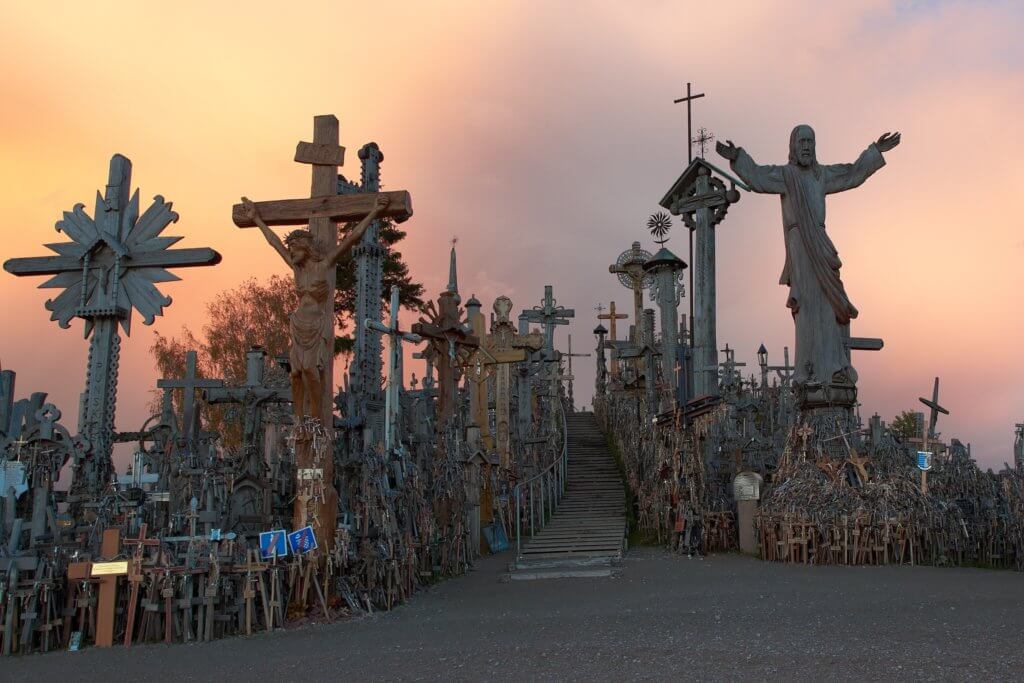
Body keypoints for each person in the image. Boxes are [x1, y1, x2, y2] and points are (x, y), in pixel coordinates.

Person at [240, 194, 390, 421]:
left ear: (305, 248)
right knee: (296, 373)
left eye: (294, 248)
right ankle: (299, 416)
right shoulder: (297, 269)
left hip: (317, 323)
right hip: (298, 323)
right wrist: (257, 219)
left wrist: (374, 212)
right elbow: (274, 243)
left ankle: (316, 414)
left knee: (311, 369)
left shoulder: (324, 265)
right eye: (290, 248)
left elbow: (352, 238)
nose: (290, 252)